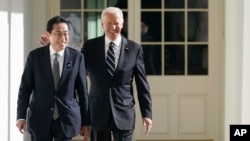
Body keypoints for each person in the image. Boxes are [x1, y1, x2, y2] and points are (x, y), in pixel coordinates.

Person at [40, 7, 153, 141]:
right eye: (109, 23)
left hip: (124, 113)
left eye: (117, 23)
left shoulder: (134, 49)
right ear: (102, 24)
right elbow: (72, 61)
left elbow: (142, 85)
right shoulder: (90, 47)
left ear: (122, 24)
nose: (113, 27)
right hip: (97, 112)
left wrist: (147, 113)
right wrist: (52, 45)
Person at [16, 15, 90, 141]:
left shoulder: (77, 57)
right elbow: (25, 88)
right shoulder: (35, 57)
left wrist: (86, 122)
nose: (63, 38)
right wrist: (21, 116)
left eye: (66, 34)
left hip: (66, 118)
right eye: (58, 34)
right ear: (48, 34)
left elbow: (83, 92)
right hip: (39, 118)